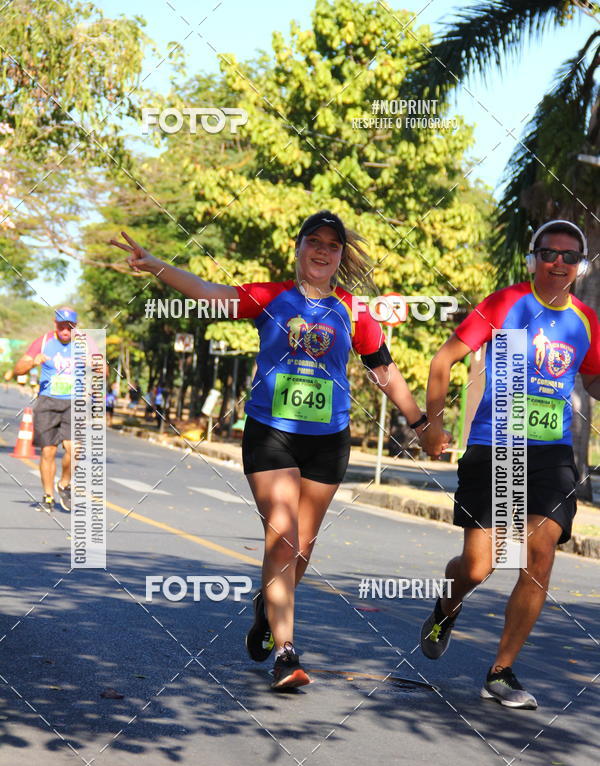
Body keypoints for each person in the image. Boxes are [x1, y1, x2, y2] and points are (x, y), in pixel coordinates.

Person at [111, 212, 449, 691]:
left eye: (332, 245)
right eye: (314, 241)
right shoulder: (271, 298)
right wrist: (156, 265)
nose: (322, 251)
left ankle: (267, 609)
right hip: (271, 432)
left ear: (339, 257)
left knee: (302, 548)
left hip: (329, 441)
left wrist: (420, 424)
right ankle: (286, 653)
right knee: (283, 536)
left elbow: (385, 372)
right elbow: (212, 294)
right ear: (298, 248)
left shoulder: (355, 312)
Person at [421, 219, 600, 709]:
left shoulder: (585, 320)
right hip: (495, 446)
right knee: (479, 566)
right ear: (533, 259)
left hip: (550, 455)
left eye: (568, 256)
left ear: (580, 267)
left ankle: (501, 672)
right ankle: (447, 605)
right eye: (549, 253)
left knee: (539, 554)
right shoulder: (507, 305)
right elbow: (444, 360)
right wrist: (433, 426)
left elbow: (593, 379)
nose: (558, 262)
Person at [13, 308, 80, 513]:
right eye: (61, 325)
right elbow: (18, 369)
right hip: (47, 401)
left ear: (75, 327)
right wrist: (33, 362)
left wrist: (94, 365)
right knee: (48, 451)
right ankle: (48, 496)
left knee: (75, 449)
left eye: (69, 326)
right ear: (55, 324)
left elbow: (102, 370)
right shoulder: (43, 342)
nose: (65, 330)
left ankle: (64, 484)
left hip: (73, 402)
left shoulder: (84, 345)